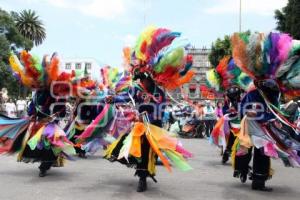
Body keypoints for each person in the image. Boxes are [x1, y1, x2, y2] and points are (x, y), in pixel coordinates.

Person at [104, 27, 193, 192]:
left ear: (150, 79)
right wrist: (113, 99)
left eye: (142, 79)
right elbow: (125, 97)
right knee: (130, 147)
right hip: (138, 127)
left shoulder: (158, 93)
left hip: (152, 127)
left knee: (146, 151)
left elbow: (160, 108)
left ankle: (143, 176)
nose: (140, 82)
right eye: (139, 79)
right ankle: (141, 174)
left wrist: (148, 115)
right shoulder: (136, 90)